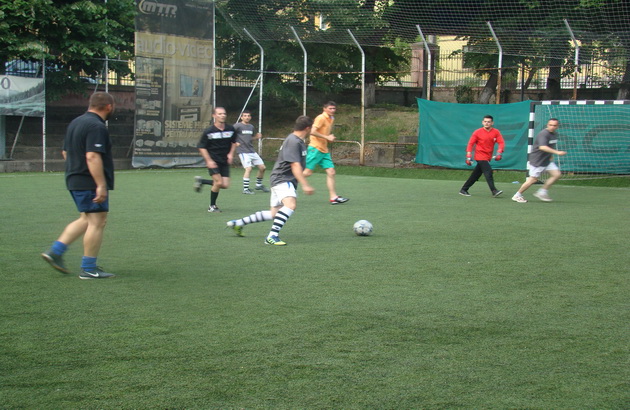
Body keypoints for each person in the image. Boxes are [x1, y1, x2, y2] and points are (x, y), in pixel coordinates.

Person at [41, 92, 116, 279]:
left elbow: (65, 153)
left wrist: (76, 170)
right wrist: (100, 184)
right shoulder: (96, 126)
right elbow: (92, 156)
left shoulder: (76, 122)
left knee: (86, 219)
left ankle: (55, 252)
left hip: (74, 179)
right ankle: (88, 269)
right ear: (109, 106)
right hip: (89, 181)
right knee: (98, 222)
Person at [226, 115, 315, 246]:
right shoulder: (293, 141)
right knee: (290, 204)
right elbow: (294, 165)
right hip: (283, 179)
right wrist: (305, 184)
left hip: (281, 178)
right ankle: (272, 236)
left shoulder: (298, 141)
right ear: (308, 128)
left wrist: (304, 172)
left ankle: (238, 223)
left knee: (274, 213)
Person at [303, 101, 349, 205]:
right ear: (324, 109)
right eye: (330, 108)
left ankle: (333, 197)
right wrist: (327, 137)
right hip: (315, 148)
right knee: (307, 173)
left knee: (331, 172)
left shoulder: (331, 118)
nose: (332, 110)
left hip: (324, 150)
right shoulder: (321, 118)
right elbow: (312, 132)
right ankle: (285, 184)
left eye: (334, 108)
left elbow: (323, 132)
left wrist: (327, 138)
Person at [193, 107, 238, 212]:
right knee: (218, 182)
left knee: (225, 185)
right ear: (214, 116)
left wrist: (231, 154)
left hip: (224, 161)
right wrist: (209, 160)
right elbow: (202, 147)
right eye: (220, 114)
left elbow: (234, 142)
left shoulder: (230, 129)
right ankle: (212, 206)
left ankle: (202, 181)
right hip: (214, 161)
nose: (223, 115)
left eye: (224, 114)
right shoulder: (209, 131)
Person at [512, 118, 566, 203]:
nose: (552, 127)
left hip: (546, 161)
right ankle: (517, 195)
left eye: (554, 125)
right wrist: (557, 152)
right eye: (550, 125)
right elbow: (542, 147)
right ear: (547, 125)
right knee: (533, 179)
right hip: (537, 161)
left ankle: (542, 192)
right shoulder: (543, 134)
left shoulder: (554, 134)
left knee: (556, 174)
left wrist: (550, 156)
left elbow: (550, 145)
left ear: (557, 126)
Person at [459, 115, 505, 197]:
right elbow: (470, 143)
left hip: (488, 156)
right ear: (482, 122)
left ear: (492, 123)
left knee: (476, 174)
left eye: (489, 122)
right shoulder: (477, 132)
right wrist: (468, 155)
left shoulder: (496, 132)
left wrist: (499, 152)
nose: (487, 123)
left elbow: (501, 142)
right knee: (488, 171)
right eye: (485, 121)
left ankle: (464, 189)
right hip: (480, 155)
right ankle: (494, 190)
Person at [233, 110, 269, 194]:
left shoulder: (251, 127)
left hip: (251, 151)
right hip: (243, 151)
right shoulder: (237, 126)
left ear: (250, 117)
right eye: (245, 116)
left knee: (262, 168)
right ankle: (245, 189)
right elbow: (230, 134)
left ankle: (258, 185)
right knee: (248, 168)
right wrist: (234, 142)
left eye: (248, 116)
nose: (247, 117)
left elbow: (250, 138)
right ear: (241, 117)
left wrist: (256, 137)